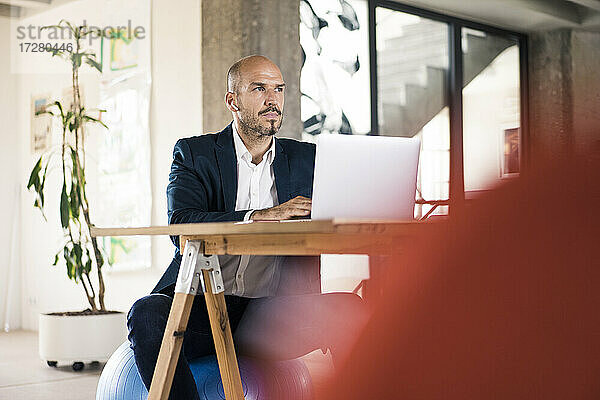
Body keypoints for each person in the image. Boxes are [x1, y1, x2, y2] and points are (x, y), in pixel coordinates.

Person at [127, 55, 368, 399]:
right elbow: (181, 224)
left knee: (353, 311)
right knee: (146, 313)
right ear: (233, 100)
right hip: (203, 308)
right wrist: (260, 215)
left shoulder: (307, 159)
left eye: (279, 89)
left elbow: (344, 208)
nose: (273, 99)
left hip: (271, 315)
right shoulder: (195, 154)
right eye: (259, 88)